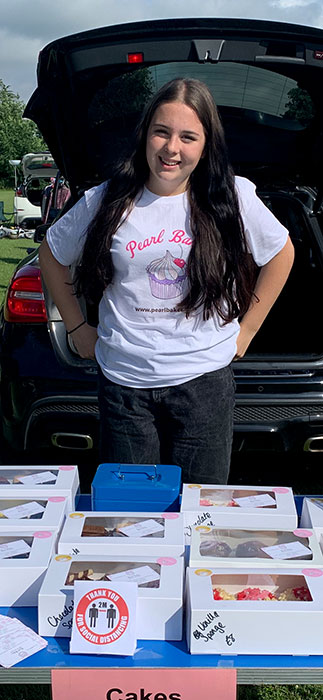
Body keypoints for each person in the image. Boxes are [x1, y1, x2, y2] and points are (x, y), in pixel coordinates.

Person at [39, 78, 294, 484]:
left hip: (204, 384)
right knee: (135, 518)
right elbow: (52, 255)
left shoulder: (232, 195)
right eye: (162, 131)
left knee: (200, 510)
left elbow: (281, 253)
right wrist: (76, 328)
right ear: (145, 134)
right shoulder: (107, 198)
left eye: (188, 137)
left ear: (206, 144)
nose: (172, 148)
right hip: (125, 387)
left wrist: (247, 330)